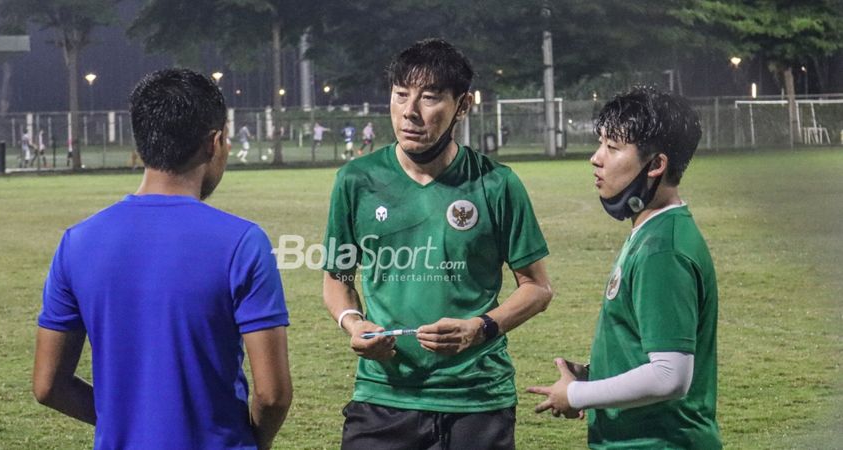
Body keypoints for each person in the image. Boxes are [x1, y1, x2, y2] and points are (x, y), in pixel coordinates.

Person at [33, 68, 293, 450]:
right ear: (214, 142)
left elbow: (47, 386)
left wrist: (125, 419)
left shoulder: (77, 242)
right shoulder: (242, 242)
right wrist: (255, 440)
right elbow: (272, 395)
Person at [322, 38, 553, 450]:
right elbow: (337, 279)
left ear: (462, 106)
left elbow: (537, 288)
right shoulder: (356, 181)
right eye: (400, 95)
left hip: (478, 400)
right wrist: (354, 325)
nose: (410, 112)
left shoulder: (497, 184)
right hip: (382, 398)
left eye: (429, 98)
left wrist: (479, 329)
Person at [527, 86, 720, 449]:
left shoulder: (663, 250)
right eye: (600, 143)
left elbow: (670, 376)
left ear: (656, 165)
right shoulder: (652, 230)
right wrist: (595, 375)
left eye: (612, 148)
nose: (596, 158)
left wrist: (577, 395)